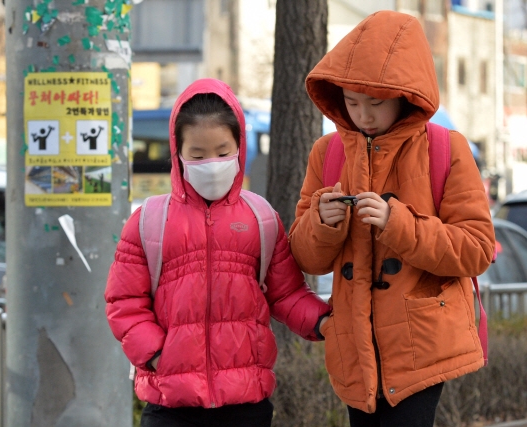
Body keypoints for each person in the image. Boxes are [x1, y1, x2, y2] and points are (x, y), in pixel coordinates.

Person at [288, 10, 496, 427]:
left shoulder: (446, 148)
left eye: (376, 103)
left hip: (423, 344)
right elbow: (306, 258)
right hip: (352, 347)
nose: (363, 115)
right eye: (350, 102)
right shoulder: (327, 153)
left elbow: (477, 249)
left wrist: (397, 223)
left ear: (406, 95)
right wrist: (321, 224)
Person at [105, 78, 330, 427]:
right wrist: (155, 353)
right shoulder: (149, 220)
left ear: (239, 145)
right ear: (177, 153)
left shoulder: (261, 218)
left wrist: (322, 321)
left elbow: (286, 293)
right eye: (197, 154)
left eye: (223, 152)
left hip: (245, 403)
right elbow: (124, 302)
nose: (212, 163)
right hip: (171, 405)